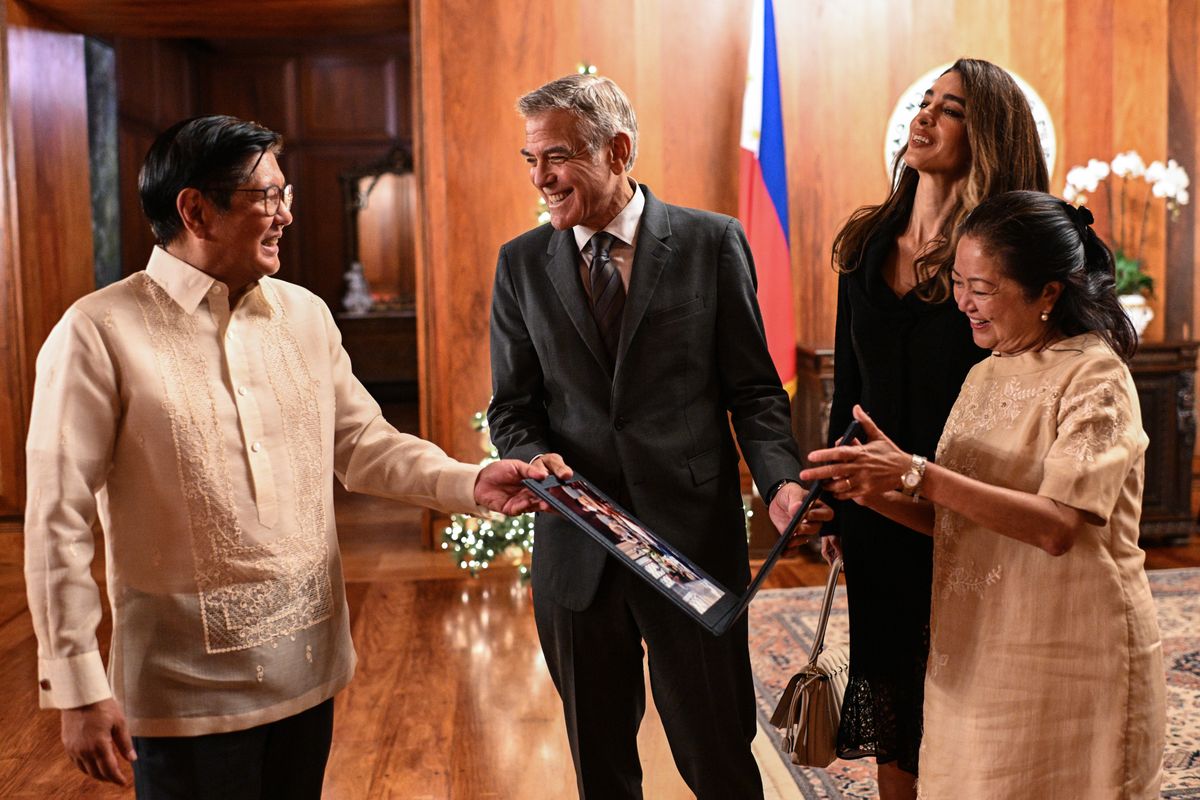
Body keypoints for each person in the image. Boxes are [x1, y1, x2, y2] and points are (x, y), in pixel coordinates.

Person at [23, 115, 548, 798]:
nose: (285, 215)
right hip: (184, 690)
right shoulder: (97, 332)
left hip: (309, 668)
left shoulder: (305, 315)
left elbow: (363, 444)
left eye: (286, 193)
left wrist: (473, 482)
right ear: (195, 210)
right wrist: (76, 686)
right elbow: (56, 519)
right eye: (266, 196)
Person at [487, 74, 827, 798]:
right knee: (601, 766)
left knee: (719, 759)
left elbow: (754, 391)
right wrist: (530, 458)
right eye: (530, 159)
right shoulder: (519, 263)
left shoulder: (711, 242)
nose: (541, 177)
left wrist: (780, 480)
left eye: (557, 157)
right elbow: (512, 408)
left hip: (692, 545)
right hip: (577, 554)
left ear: (618, 150)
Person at [803, 190, 1165, 798]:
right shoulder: (985, 372)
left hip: (1072, 652)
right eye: (957, 282)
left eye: (981, 288)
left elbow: (1057, 527)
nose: (962, 303)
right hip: (977, 647)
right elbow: (958, 521)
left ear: (1048, 293)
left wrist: (915, 473)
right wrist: (868, 490)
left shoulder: (1095, 376)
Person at [819, 57, 1049, 798]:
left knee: (970, 695)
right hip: (878, 510)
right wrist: (834, 498)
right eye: (926, 102)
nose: (924, 116)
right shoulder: (866, 241)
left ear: (988, 134)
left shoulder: (1006, 259)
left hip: (970, 509)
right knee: (893, 690)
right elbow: (848, 388)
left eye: (949, 109)